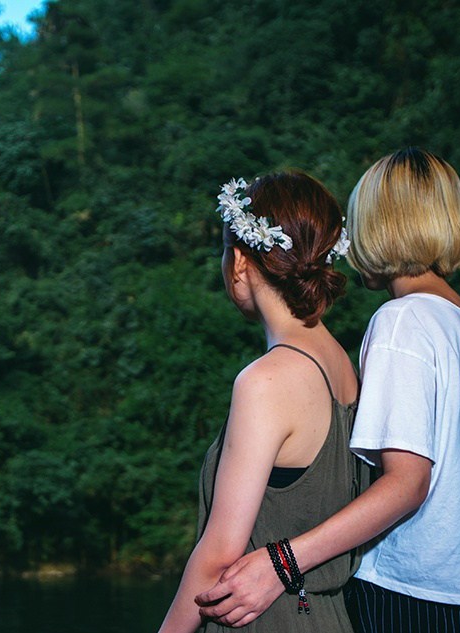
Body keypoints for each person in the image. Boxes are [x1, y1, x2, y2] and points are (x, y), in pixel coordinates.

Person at [196, 148, 460, 632]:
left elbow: (407, 484)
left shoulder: (402, 321)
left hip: (412, 594)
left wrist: (282, 563)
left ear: (382, 228)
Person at [157, 171, 362, 633]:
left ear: (240, 262)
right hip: (329, 616)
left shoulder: (267, 381)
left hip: (269, 619)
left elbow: (220, 553)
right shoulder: (343, 366)